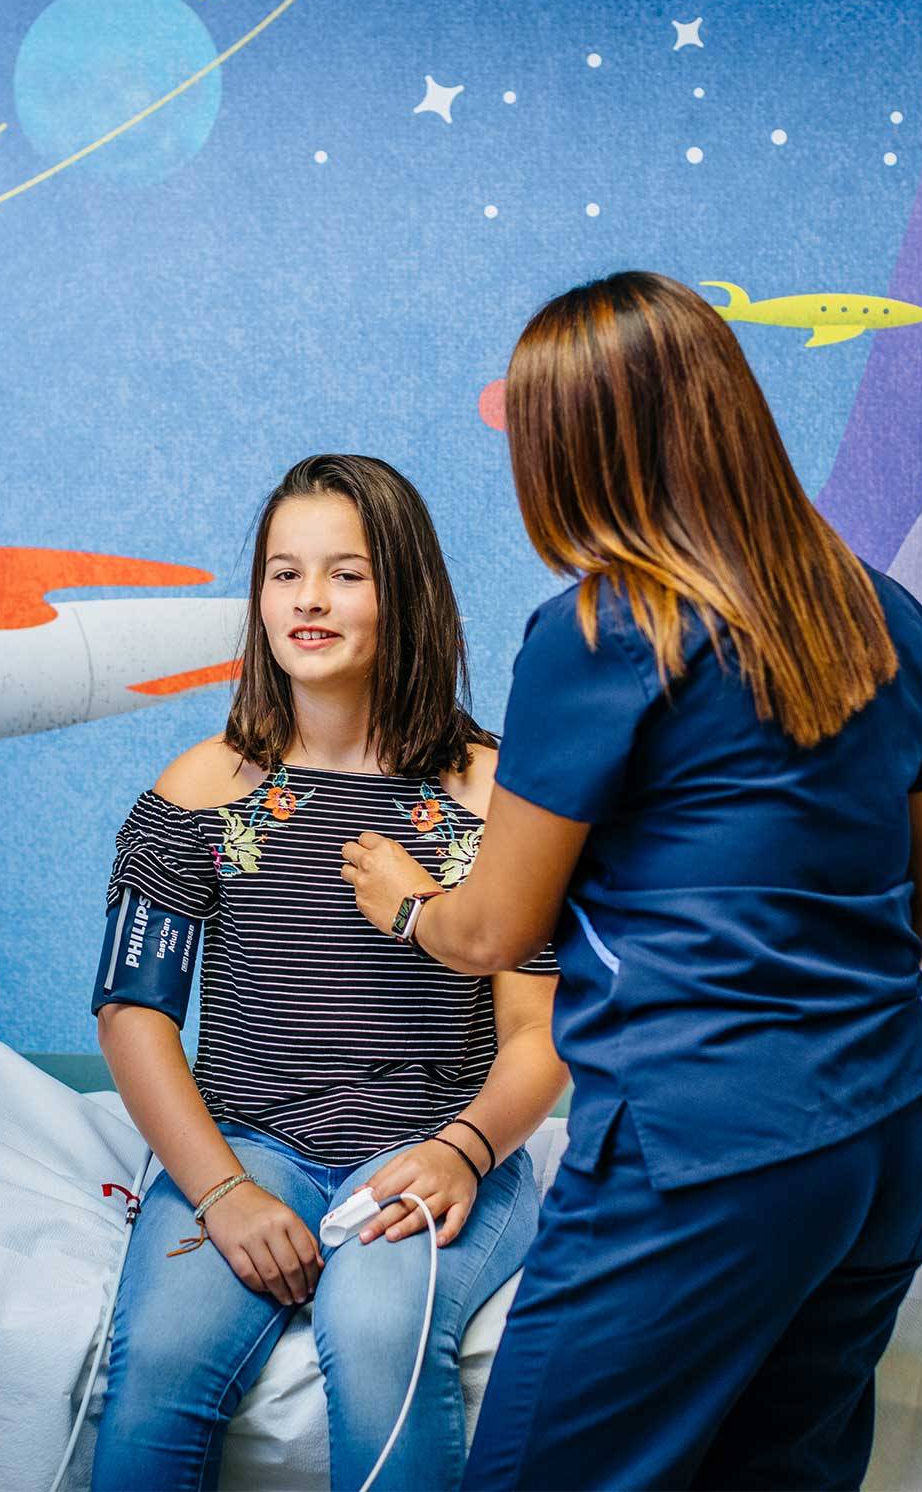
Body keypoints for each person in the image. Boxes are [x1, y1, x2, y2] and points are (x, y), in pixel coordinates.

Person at [340, 272, 922, 1490]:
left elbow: (498, 929)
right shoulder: (892, 622)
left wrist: (408, 901)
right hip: (890, 1132)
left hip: (705, 1144)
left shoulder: (599, 633)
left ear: (578, 451)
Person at [90, 453, 565, 1492]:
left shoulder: (500, 799)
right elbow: (132, 1011)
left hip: (431, 1151)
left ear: (411, 592)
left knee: (378, 1325)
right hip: (249, 1144)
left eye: (347, 573)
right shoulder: (200, 788)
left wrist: (464, 1152)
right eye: (282, 571)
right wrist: (219, 1191)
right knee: (159, 1363)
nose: (308, 599)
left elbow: (542, 1036)